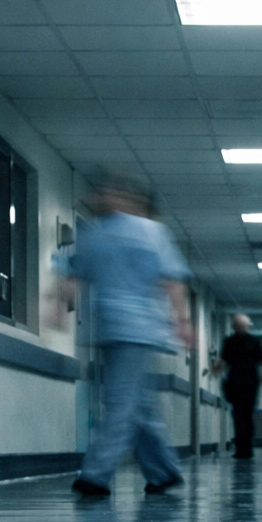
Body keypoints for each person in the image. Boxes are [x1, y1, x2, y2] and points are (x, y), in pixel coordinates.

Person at [55, 168, 192, 498]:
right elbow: (74, 276)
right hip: (116, 329)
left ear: (130, 199)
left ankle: (95, 475)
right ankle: (164, 471)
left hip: (133, 329)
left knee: (119, 402)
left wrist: (182, 321)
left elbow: (171, 281)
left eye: (109, 192)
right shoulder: (96, 234)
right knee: (136, 404)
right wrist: (59, 305)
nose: (101, 197)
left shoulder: (147, 232)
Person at [215, 313, 262, 459]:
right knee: (241, 416)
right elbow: (224, 360)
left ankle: (246, 448)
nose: (240, 328)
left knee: (244, 416)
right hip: (241, 383)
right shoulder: (234, 341)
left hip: (245, 382)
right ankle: (243, 448)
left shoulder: (245, 341)